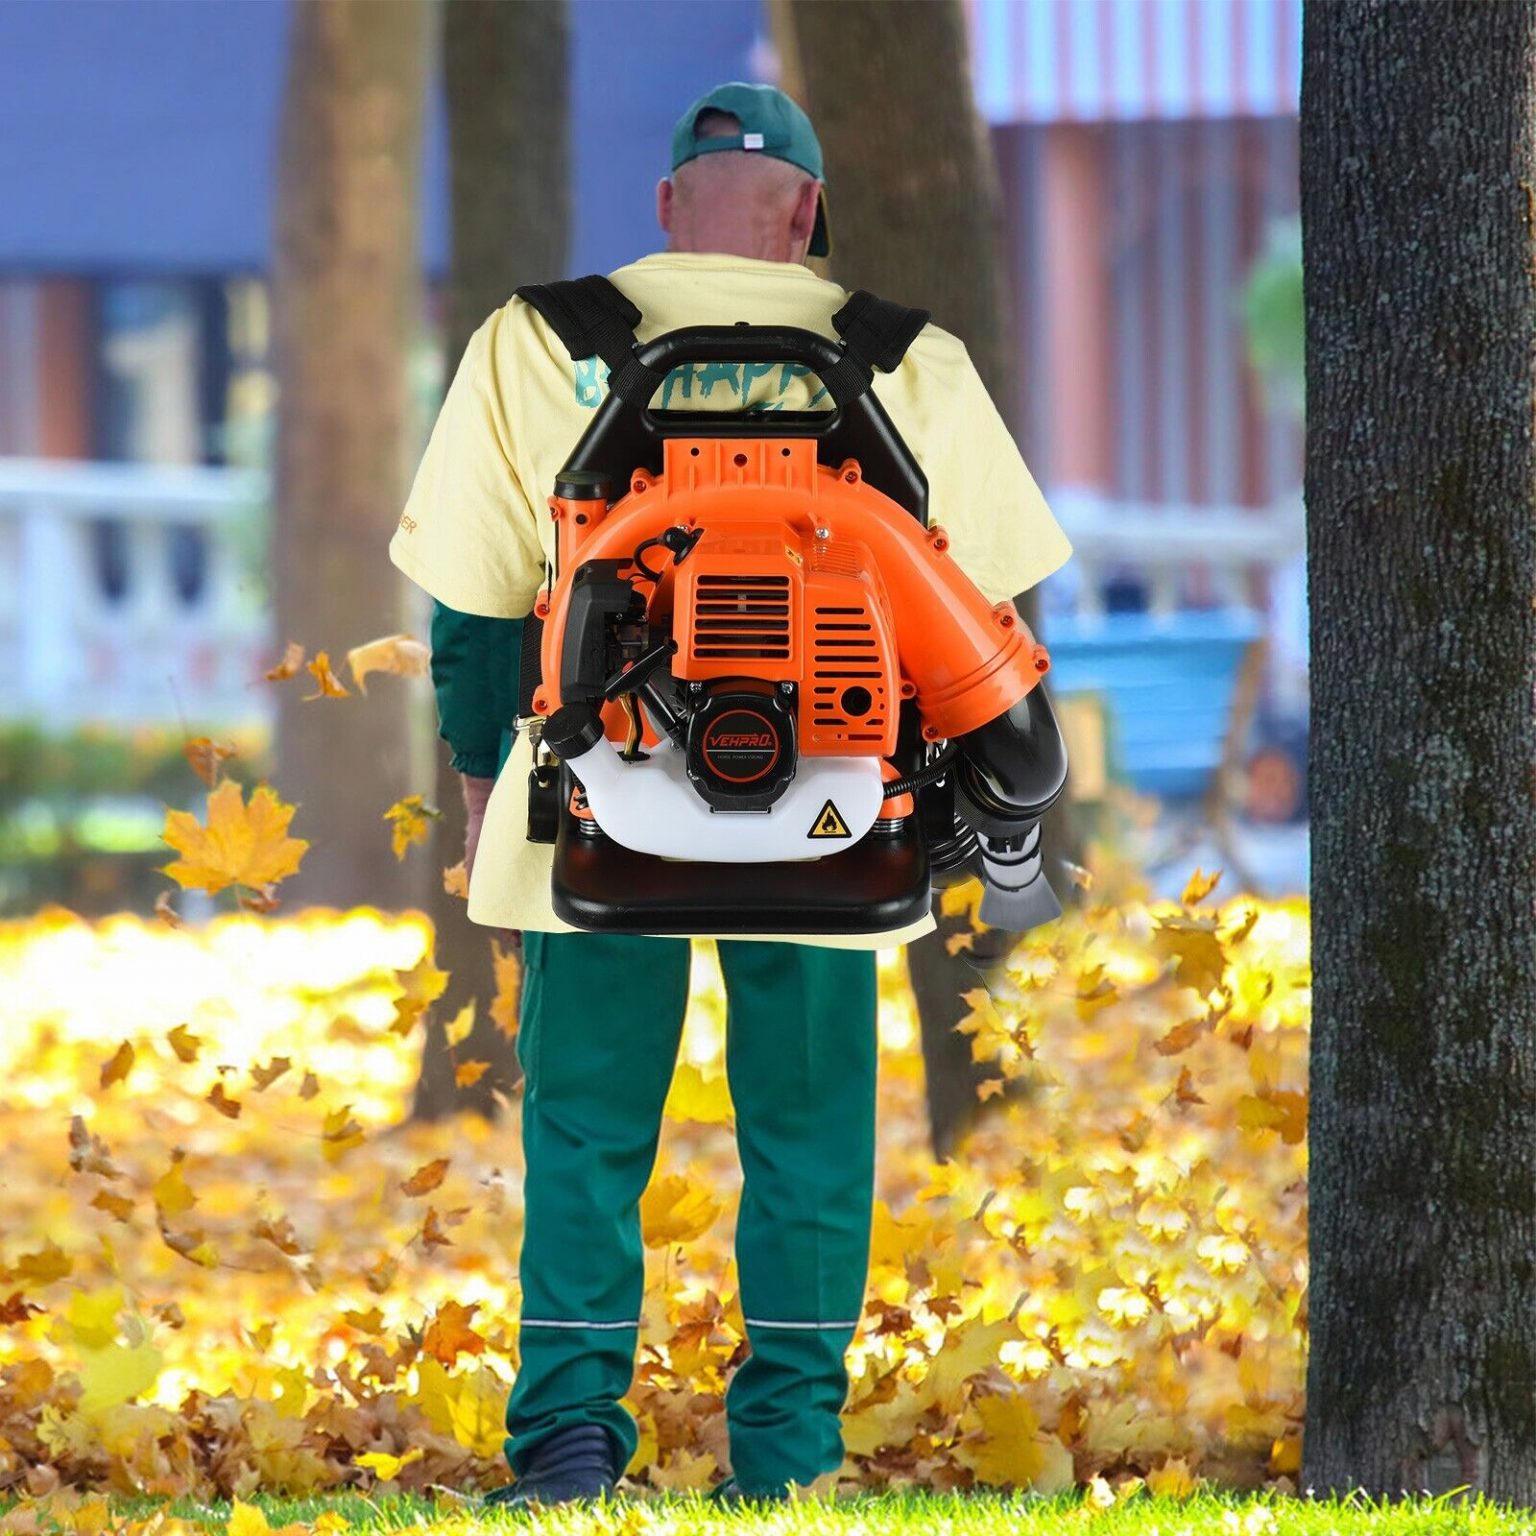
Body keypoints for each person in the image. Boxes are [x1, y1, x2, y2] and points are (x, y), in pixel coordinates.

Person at [389, 82, 1071, 1506]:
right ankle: (789, 1452)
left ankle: (570, 1438)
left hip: (592, 806)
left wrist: (477, 787)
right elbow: (992, 615)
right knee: (809, 1128)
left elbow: (470, 611)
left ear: (665, 210)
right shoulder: (909, 361)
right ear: (809, 214)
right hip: (840, 808)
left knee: (583, 1127)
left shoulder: (539, 341)